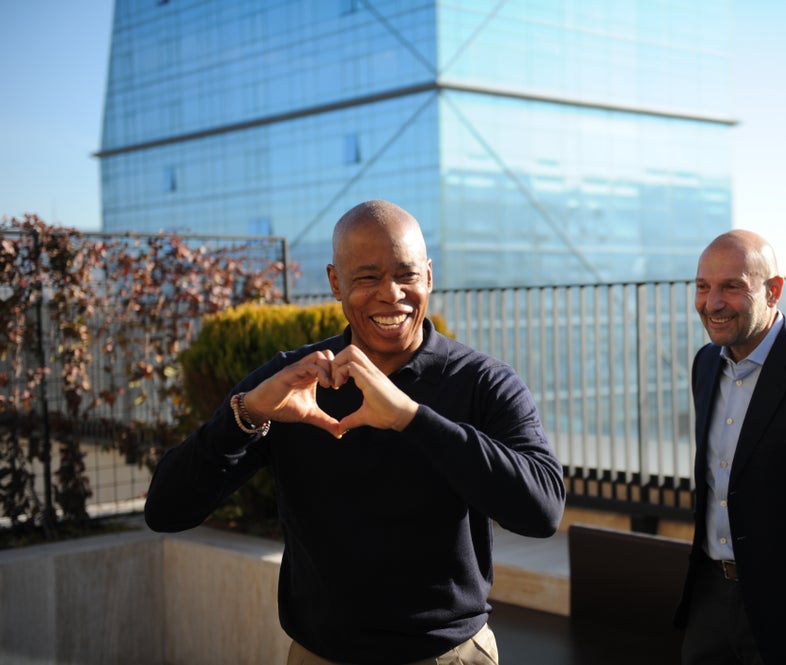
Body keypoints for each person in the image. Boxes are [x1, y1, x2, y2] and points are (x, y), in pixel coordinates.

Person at [144, 200, 566, 665]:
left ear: (428, 276)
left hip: (448, 656)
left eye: (406, 274)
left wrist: (411, 417)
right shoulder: (295, 381)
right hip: (318, 656)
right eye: (367, 277)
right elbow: (166, 510)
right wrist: (246, 414)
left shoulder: (482, 382)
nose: (391, 294)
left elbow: (542, 510)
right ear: (335, 282)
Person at [674, 230, 786, 665]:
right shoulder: (705, 363)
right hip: (710, 599)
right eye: (703, 286)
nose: (712, 303)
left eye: (731, 286)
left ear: (773, 290)